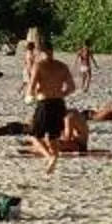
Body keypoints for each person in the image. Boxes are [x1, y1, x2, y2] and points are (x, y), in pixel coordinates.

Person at [26, 33, 77, 172]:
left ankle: (49, 156)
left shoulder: (39, 65)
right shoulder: (62, 66)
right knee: (53, 136)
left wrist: (29, 96)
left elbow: (32, 85)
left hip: (45, 102)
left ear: (41, 52)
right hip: (59, 103)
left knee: (34, 135)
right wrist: (61, 93)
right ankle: (54, 158)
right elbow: (72, 87)